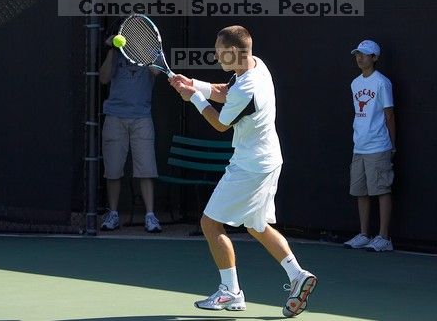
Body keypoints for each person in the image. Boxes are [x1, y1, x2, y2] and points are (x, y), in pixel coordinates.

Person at [169, 26, 317, 317]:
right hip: (269, 159)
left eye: (219, 52)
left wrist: (194, 98)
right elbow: (227, 91)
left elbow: (221, 124)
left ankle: (230, 292)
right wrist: (194, 84)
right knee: (256, 225)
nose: (215, 56)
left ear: (234, 52)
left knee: (211, 224)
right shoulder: (257, 66)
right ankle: (298, 275)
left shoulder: (247, 88)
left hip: (250, 166)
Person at [98, 29, 162, 233]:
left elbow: (156, 72)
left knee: (146, 169)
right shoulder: (116, 52)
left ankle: (150, 216)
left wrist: (140, 49)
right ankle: (113, 214)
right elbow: (103, 79)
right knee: (113, 170)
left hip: (141, 117)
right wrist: (111, 50)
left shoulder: (153, 51)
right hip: (115, 117)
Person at [343, 39, 395, 252]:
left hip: (379, 145)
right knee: (360, 192)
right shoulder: (355, 83)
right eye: (357, 54)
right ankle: (364, 234)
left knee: (382, 190)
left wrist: (392, 145)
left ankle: (384, 238)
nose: (359, 58)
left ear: (374, 58)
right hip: (359, 147)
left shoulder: (382, 82)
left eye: (364, 54)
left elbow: (389, 114)